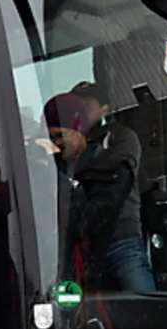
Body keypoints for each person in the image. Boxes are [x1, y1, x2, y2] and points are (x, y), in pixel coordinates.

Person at [43, 93, 155, 292]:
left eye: (61, 136)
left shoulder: (113, 151)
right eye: (50, 138)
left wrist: (64, 180)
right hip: (73, 252)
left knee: (143, 302)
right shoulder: (50, 164)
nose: (56, 144)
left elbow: (101, 208)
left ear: (80, 131)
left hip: (120, 239)